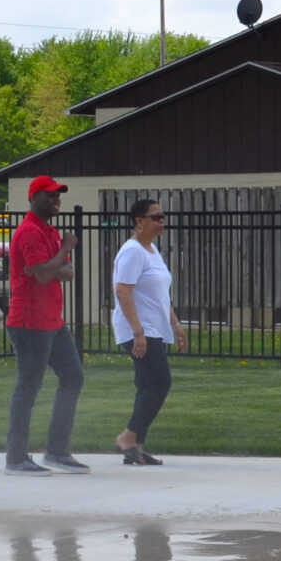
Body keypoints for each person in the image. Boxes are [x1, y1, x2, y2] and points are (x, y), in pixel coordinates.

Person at [4, 175, 88, 475]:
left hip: (52, 321)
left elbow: (66, 273)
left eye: (58, 196)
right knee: (29, 387)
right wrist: (64, 249)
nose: (56, 200)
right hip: (29, 322)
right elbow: (42, 274)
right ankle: (16, 459)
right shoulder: (29, 232)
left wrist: (54, 264)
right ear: (33, 197)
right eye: (50, 195)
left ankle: (56, 452)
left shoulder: (48, 232)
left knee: (73, 377)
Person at [110, 198, 181, 466]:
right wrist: (138, 332)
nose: (161, 222)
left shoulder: (151, 250)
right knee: (160, 382)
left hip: (153, 327)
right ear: (139, 221)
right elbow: (123, 291)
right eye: (156, 217)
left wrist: (174, 323)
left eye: (162, 217)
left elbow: (160, 293)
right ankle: (128, 437)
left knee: (146, 385)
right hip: (139, 328)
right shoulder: (132, 252)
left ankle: (136, 449)